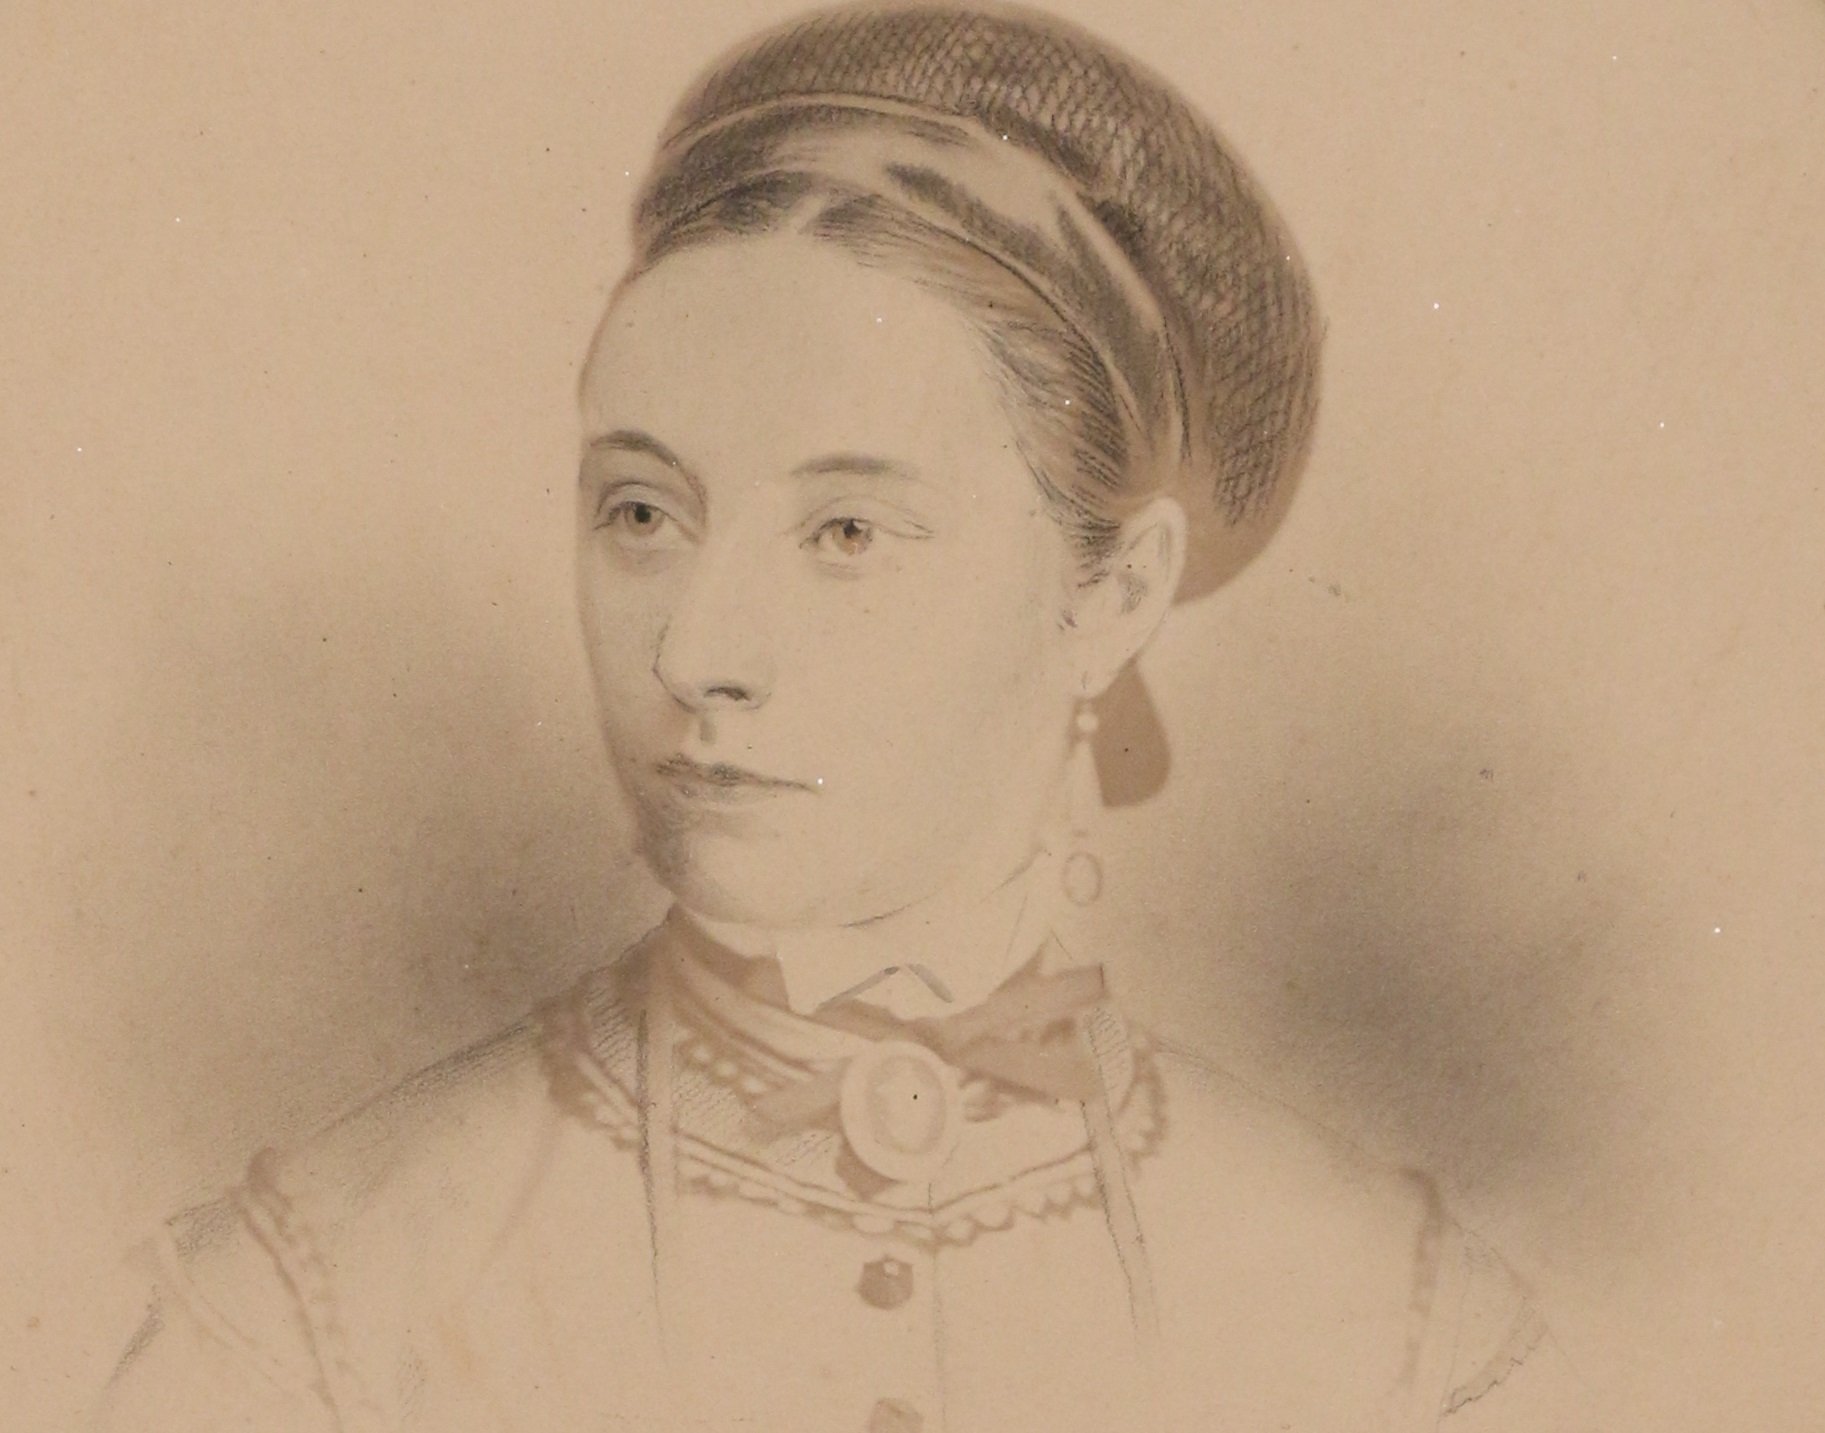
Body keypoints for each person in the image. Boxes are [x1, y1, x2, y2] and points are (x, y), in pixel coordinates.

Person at [96, 4, 1582, 1429]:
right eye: (641, 511)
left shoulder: (1398, 1332)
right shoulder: (314, 1309)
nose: (696, 651)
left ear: (1116, 593)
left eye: (847, 532)